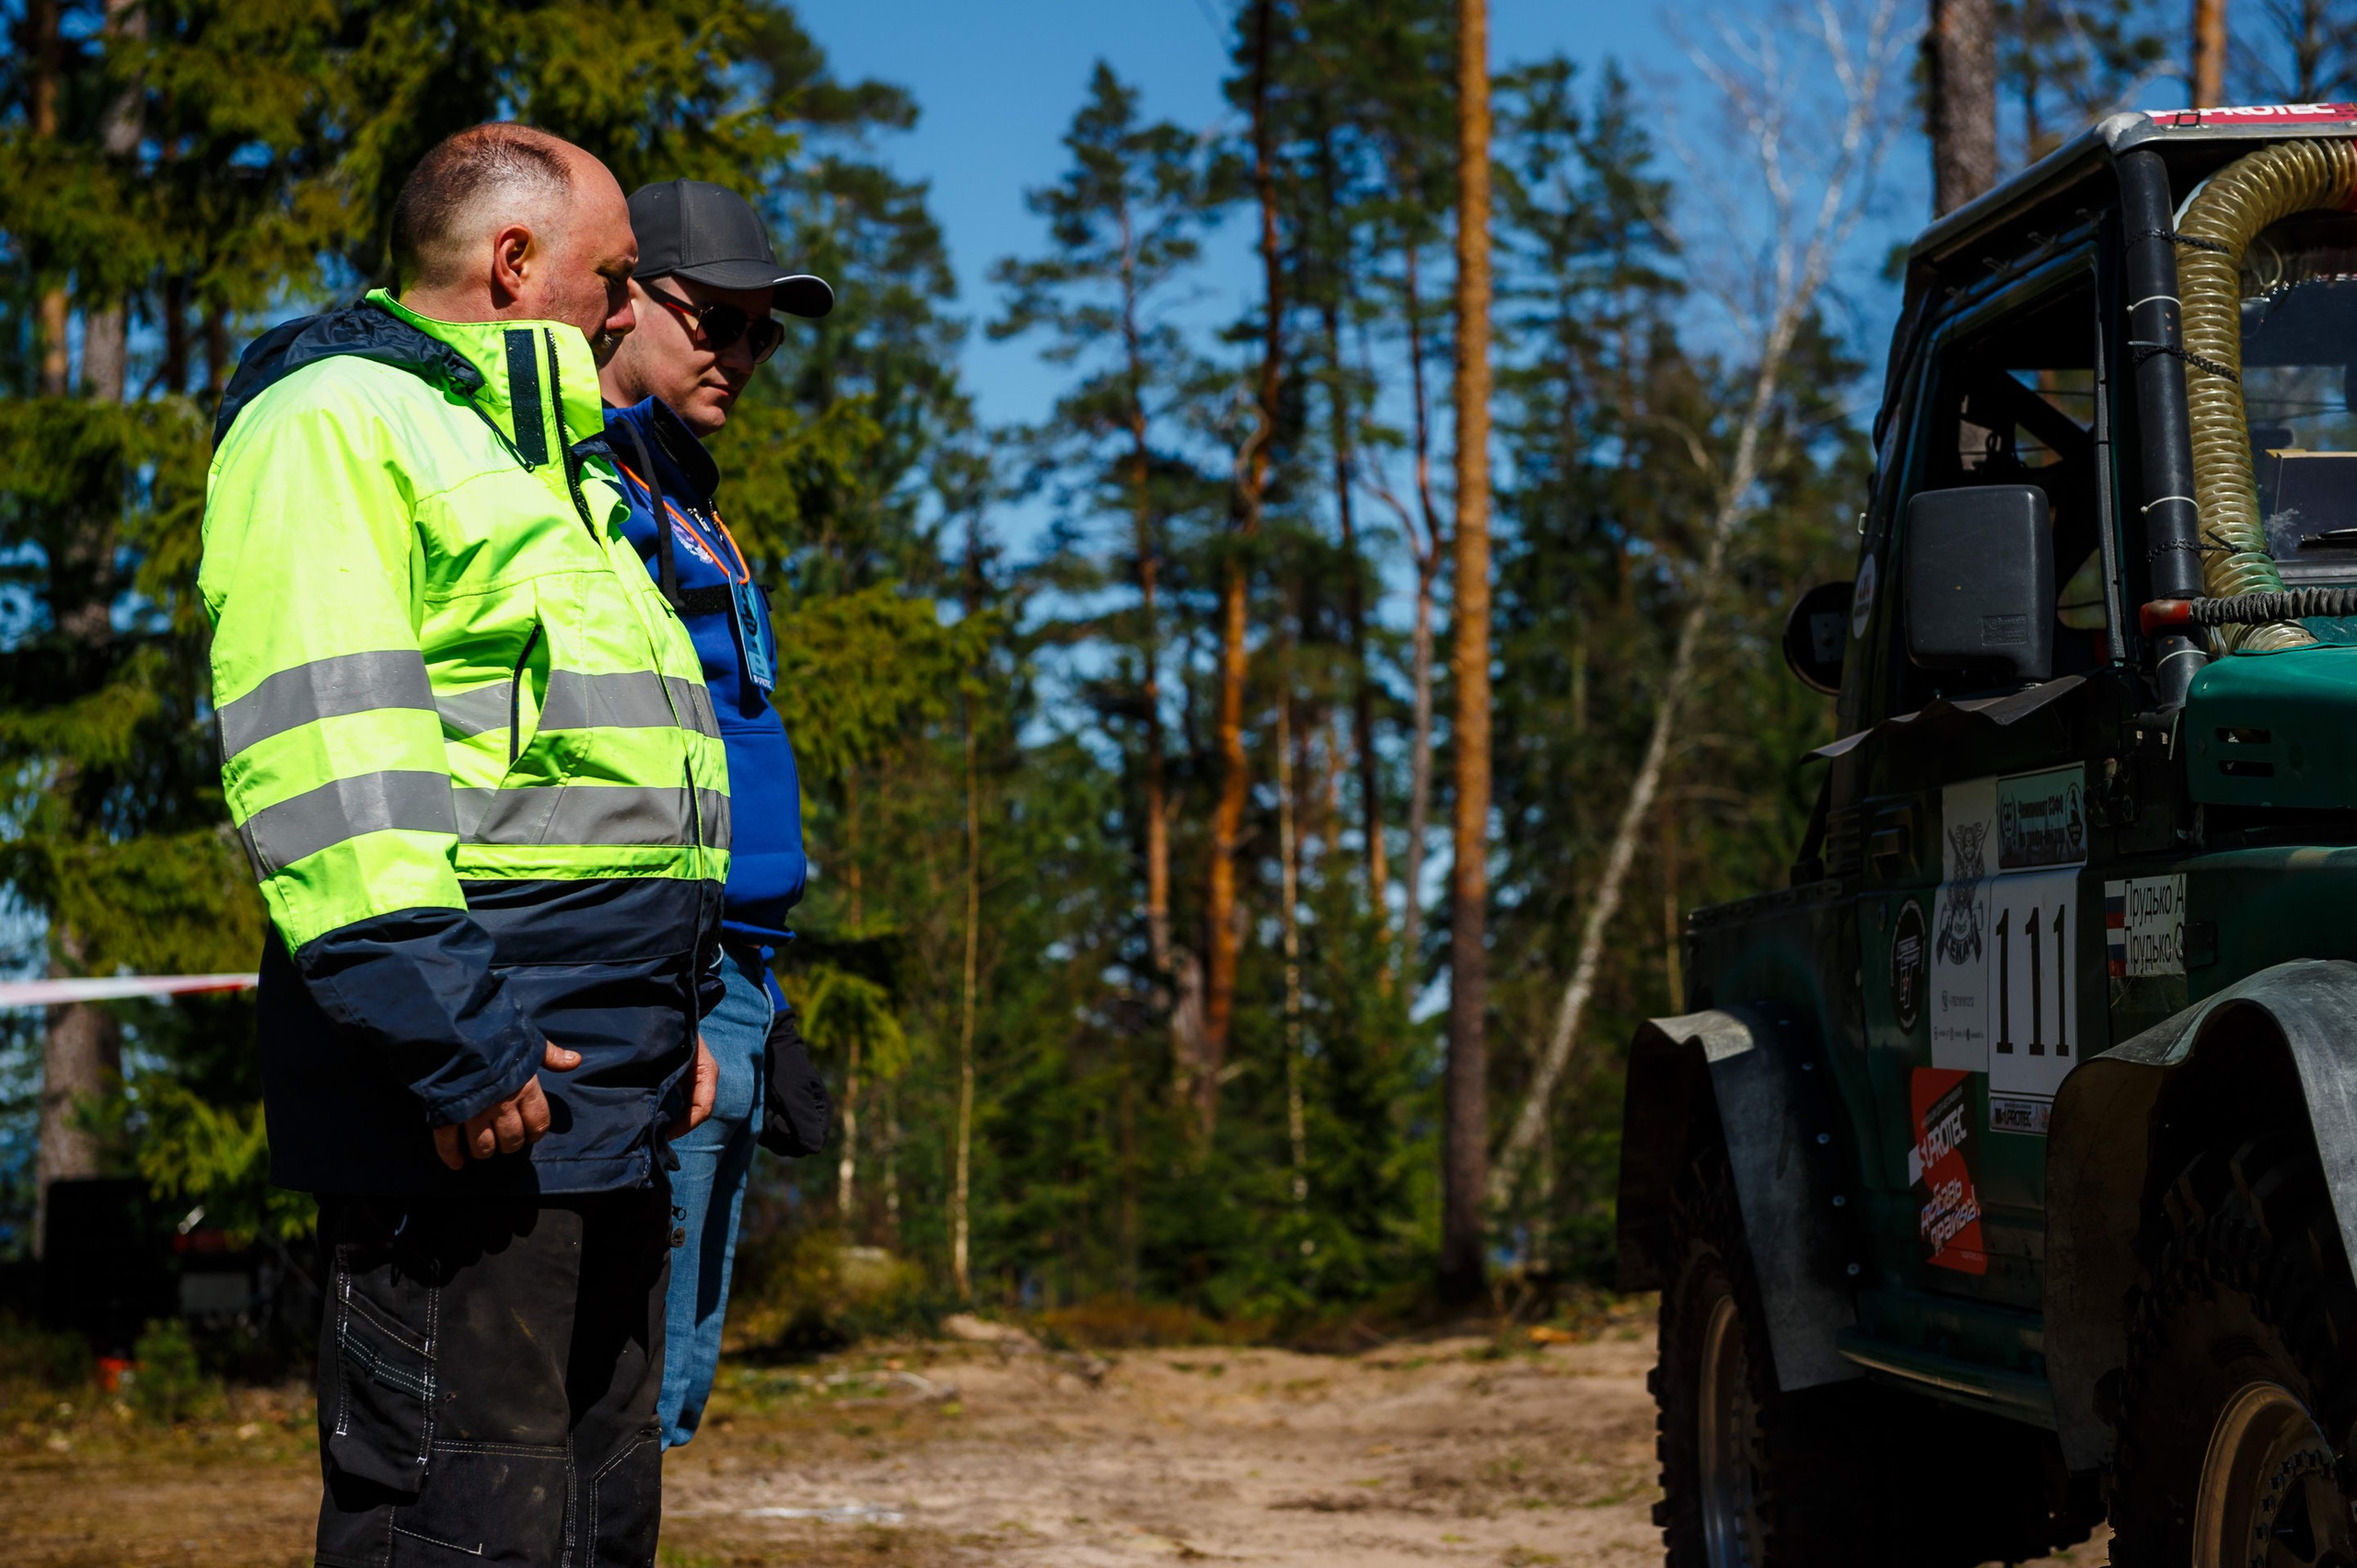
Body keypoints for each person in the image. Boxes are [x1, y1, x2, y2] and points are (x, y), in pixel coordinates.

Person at [202, 123, 726, 1566]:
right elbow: (327, 756)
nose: (632, 310)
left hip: (596, 1080)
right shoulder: (337, 422)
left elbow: (598, 780)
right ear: (513, 262)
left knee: (594, 1495)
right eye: (617, 276)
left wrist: (672, 1008)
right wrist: (448, 1028)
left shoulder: (554, 466)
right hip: (478, 1080)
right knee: (459, 1509)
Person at [596, 177, 831, 1447]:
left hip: (732, 973)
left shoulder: (691, 496)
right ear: (620, 299)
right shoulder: (592, 490)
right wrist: (669, 978)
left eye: (764, 335)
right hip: (663, 973)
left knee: (671, 1383)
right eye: (716, 321)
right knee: (617, 1392)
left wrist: (763, 993)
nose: (741, 356)